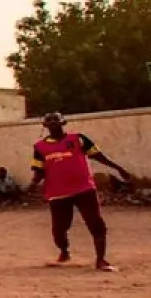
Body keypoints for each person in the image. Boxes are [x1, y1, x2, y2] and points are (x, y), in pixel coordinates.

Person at [28, 112, 132, 271]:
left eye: (56, 119)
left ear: (63, 122)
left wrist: (118, 168)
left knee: (96, 223)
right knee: (59, 229)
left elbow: (98, 156)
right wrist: (32, 184)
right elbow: (39, 171)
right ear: (45, 125)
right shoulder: (39, 147)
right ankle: (64, 251)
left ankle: (101, 260)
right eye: (49, 120)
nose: (53, 122)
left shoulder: (79, 139)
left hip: (84, 189)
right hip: (57, 193)